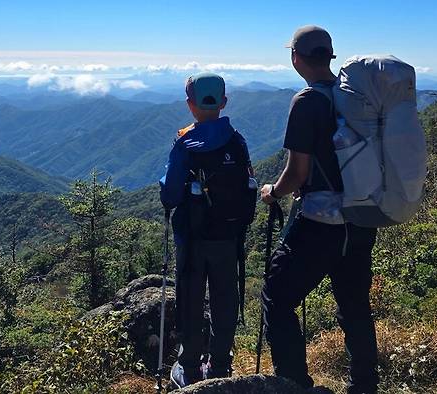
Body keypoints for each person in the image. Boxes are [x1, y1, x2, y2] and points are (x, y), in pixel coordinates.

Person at [260, 26, 380, 394]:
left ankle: (295, 385)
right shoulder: (355, 95)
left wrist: (271, 193)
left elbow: (297, 173)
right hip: (362, 216)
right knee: (355, 305)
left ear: (296, 57)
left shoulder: (307, 101)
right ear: (329, 56)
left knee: (277, 300)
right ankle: (364, 386)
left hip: (320, 224)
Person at [160, 72, 255, 388]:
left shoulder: (186, 142)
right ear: (224, 102)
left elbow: (171, 194)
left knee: (190, 298)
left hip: (192, 237)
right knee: (224, 299)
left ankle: (189, 367)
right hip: (228, 237)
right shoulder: (237, 140)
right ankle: (219, 365)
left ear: (190, 104)